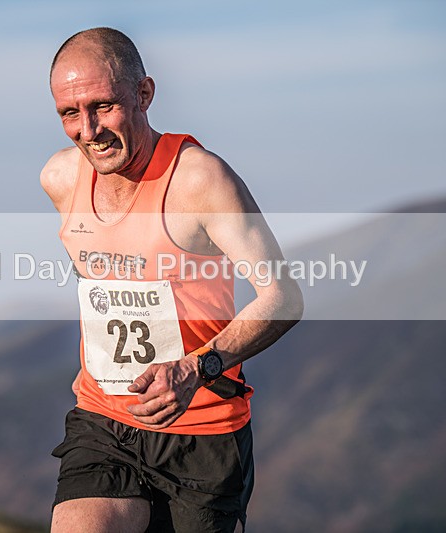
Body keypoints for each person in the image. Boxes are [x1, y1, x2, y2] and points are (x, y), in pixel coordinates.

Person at [41, 27, 303, 533]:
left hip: (202, 434)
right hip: (103, 420)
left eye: (103, 106)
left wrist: (192, 369)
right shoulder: (60, 179)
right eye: (70, 113)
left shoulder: (200, 181)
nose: (88, 130)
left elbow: (283, 298)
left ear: (144, 94)